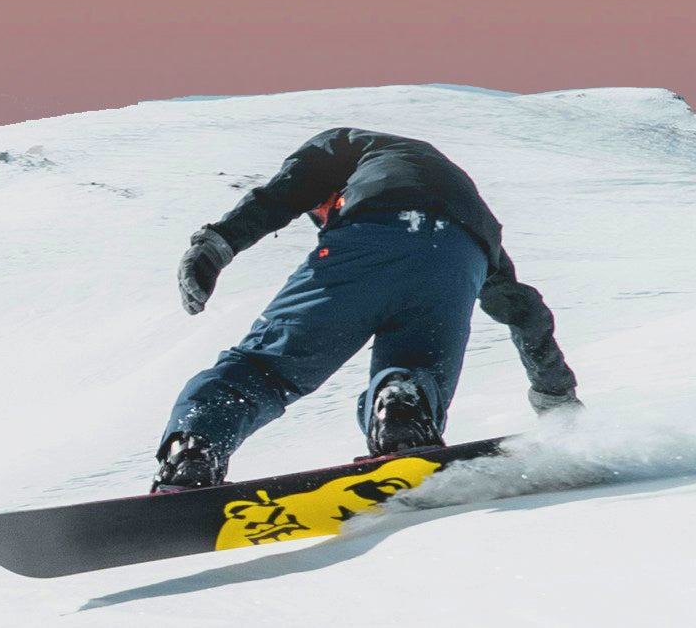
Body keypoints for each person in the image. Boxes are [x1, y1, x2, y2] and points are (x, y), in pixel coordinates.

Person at [153, 127, 581, 491]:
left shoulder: (348, 145)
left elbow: (282, 193)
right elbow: (525, 312)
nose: (322, 218)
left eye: (323, 211)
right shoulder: (477, 222)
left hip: (370, 237)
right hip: (459, 259)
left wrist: (214, 245)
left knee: (267, 367)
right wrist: (555, 396)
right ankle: (401, 409)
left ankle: (196, 445)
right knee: (417, 368)